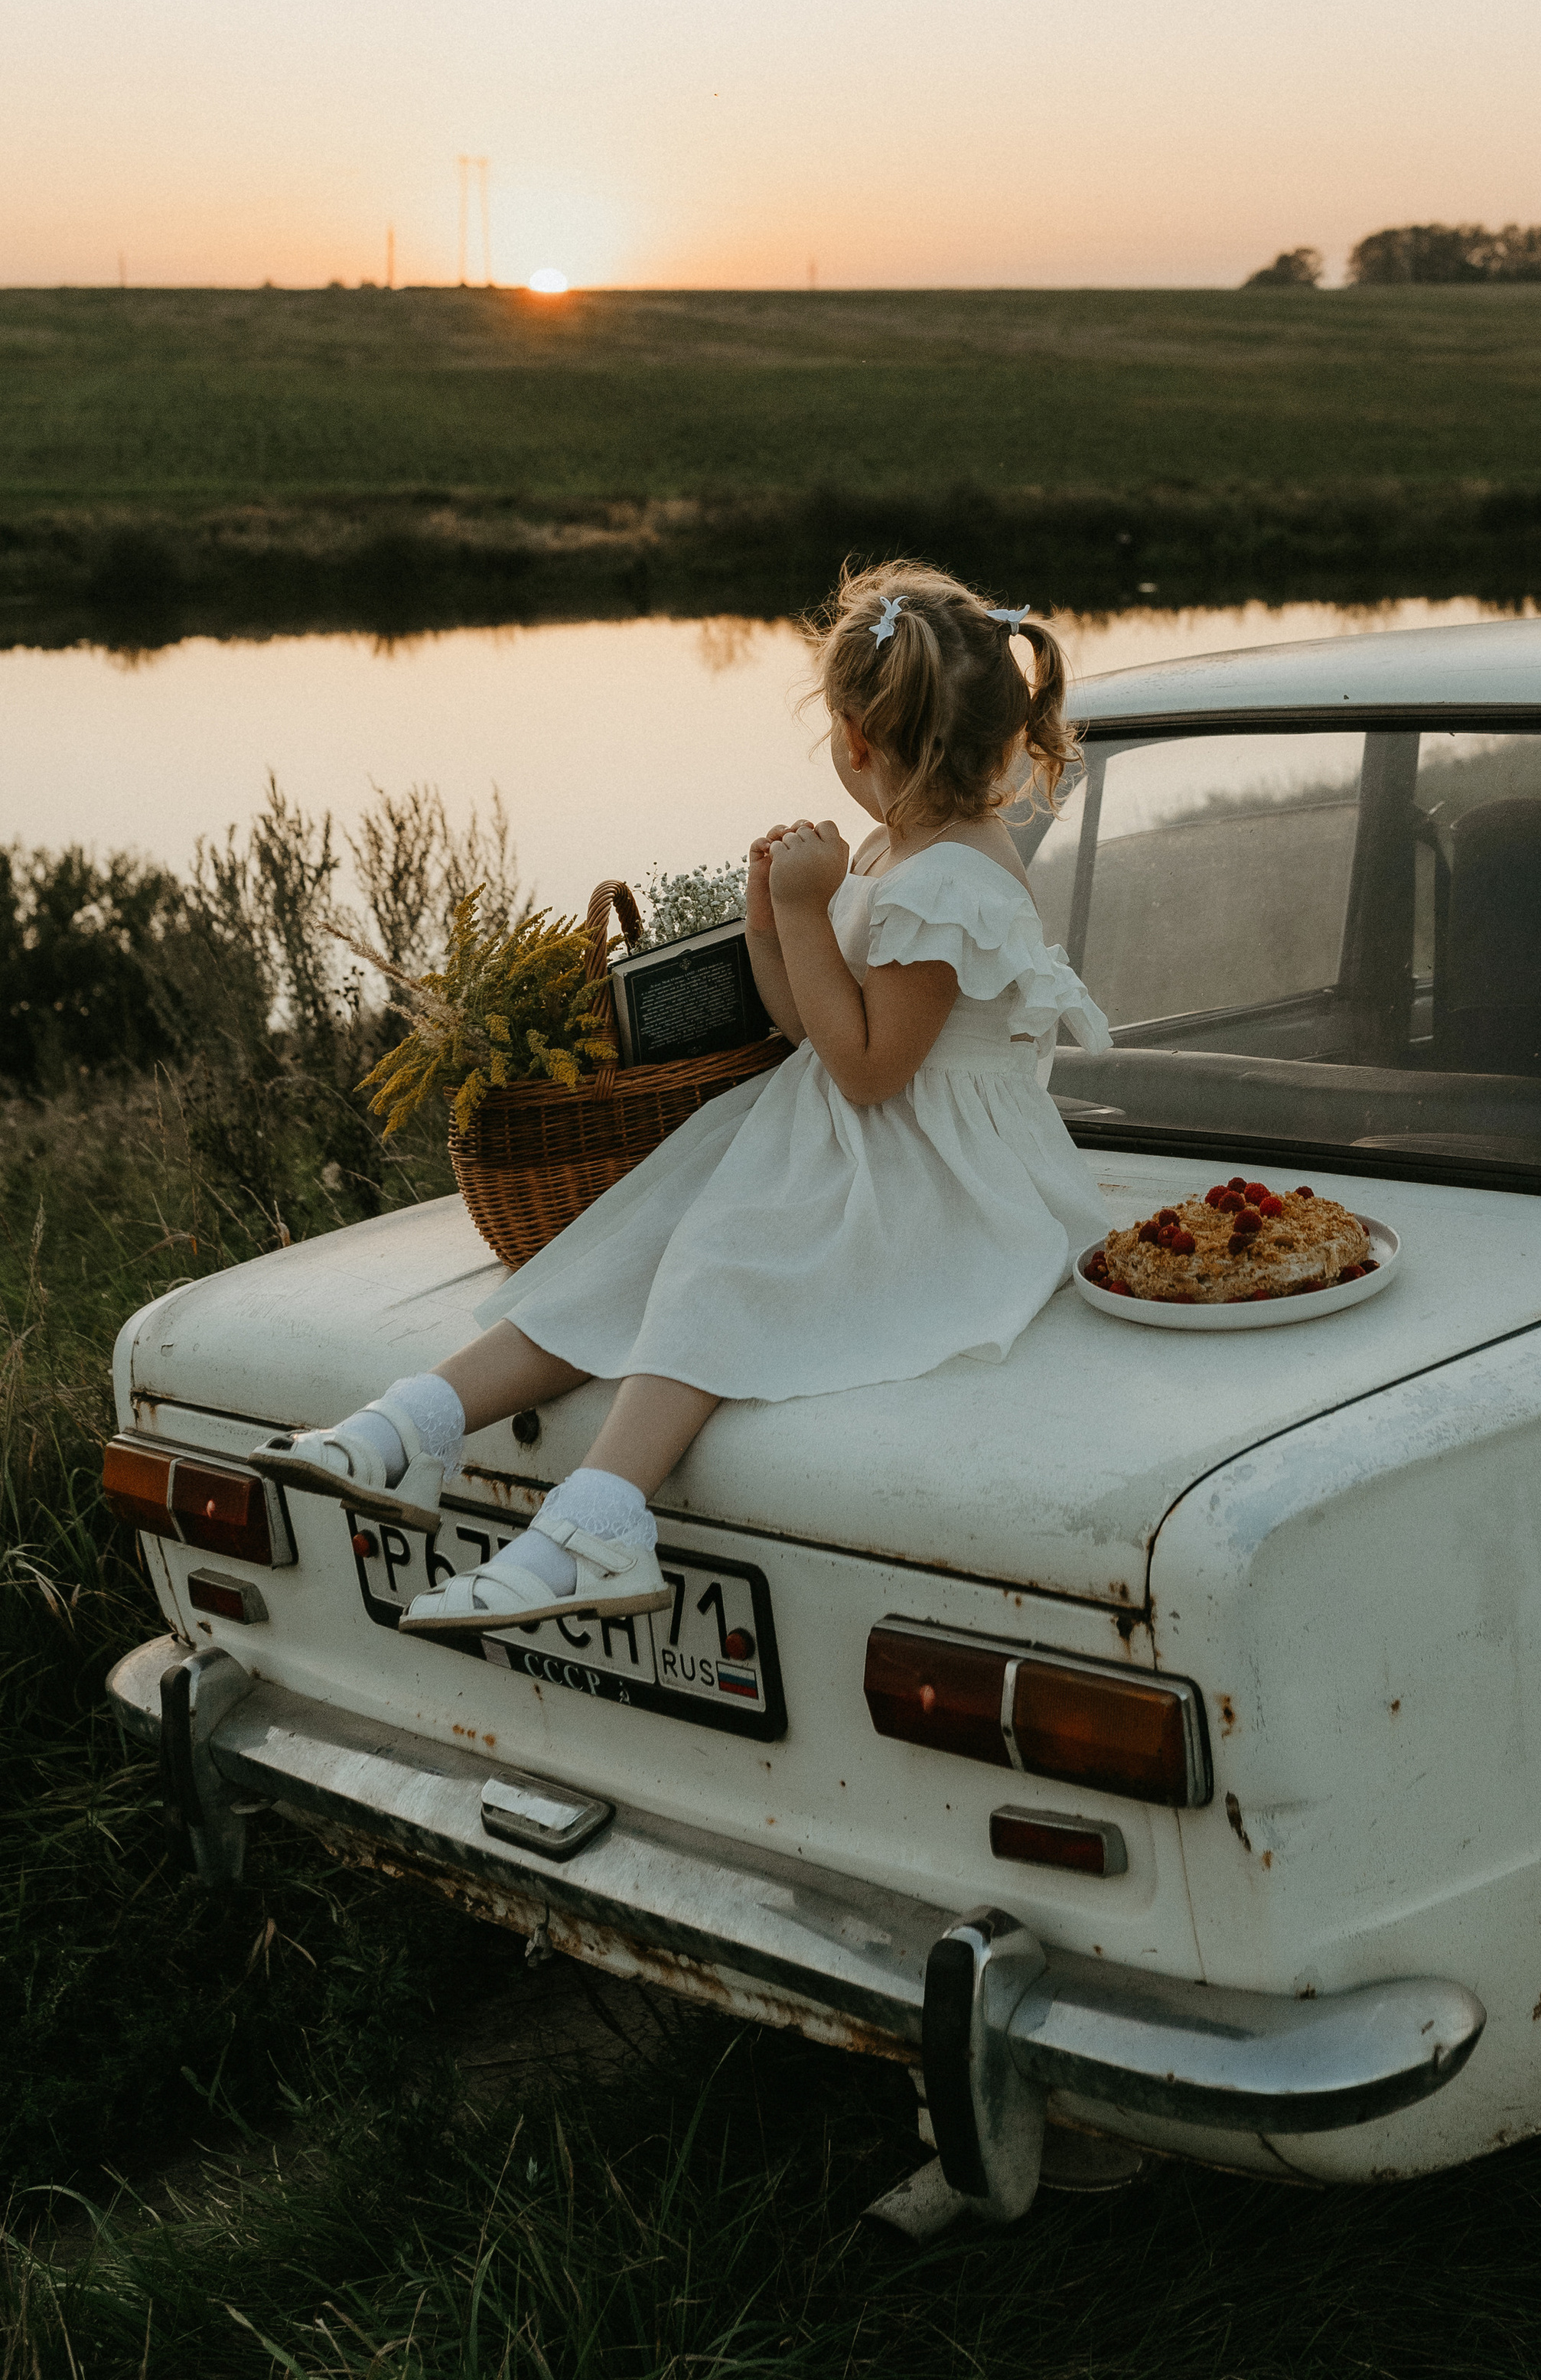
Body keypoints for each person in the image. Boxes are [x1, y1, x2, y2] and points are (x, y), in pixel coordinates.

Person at [252, 564, 1112, 1635]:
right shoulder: (902, 849)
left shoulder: (958, 883)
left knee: (723, 1264)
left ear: (855, 739)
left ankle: (599, 1523)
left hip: (938, 1179)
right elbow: (807, 1027)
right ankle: (416, 1422)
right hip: (852, 1137)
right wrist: (771, 919)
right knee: (639, 1245)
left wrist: (808, 907)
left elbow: (870, 1069)